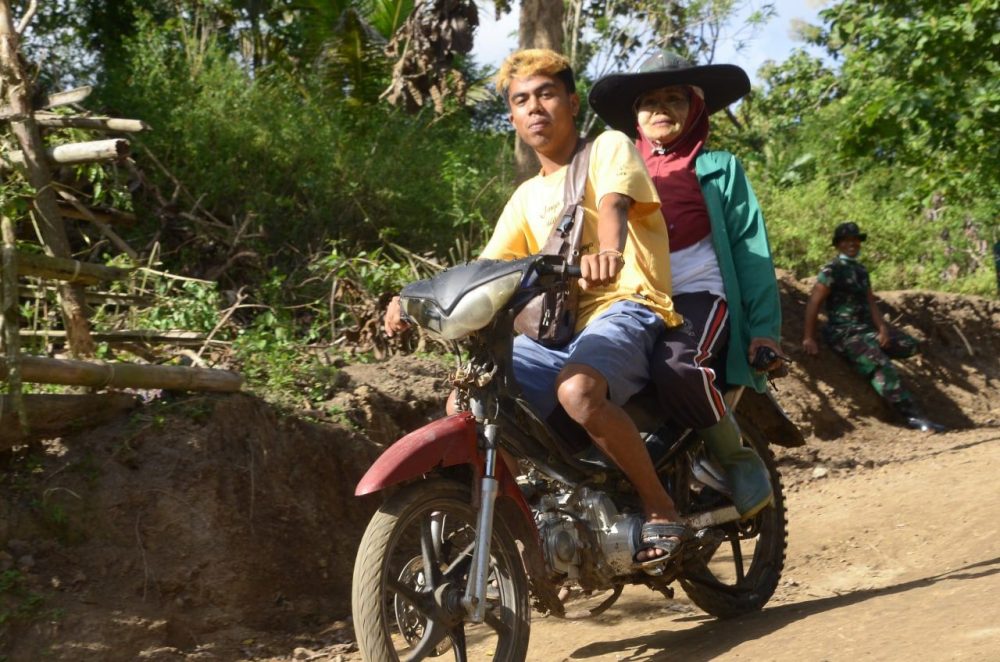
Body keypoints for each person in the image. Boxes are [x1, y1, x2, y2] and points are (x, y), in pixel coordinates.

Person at [385, 48, 690, 567]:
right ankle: (527, 525)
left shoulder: (609, 147)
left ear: (571, 102)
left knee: (579, 390)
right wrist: (410, 297)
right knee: (467, 404)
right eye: (522, 100)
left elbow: (614, 205)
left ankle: (660, 507)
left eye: (547, 94)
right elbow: (485, 269)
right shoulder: (526, 196)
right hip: (559, 329)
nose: (535, 108)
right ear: (512, 118)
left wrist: (610, 253)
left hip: (626, 304)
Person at [589, 52, 778, 518]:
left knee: (676, 365)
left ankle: (736, 457)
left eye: (674, 98)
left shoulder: (719, 168)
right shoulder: (613, 170)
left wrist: (765, 330)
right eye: (649, 101)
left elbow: (752, 249)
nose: (661, 109)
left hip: (699, 293)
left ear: (695, 109)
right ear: (635, 116)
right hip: (632, 297)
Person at [802, 222, 946, 432]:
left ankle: (869, 353)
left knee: (910, 344)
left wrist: (882, 329)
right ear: (839, 245)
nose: (853, 244)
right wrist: (809, 337)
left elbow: (870, 302)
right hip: (844, 333)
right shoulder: (832, 270)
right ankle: (913, 417)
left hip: (865, 331)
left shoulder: (861, 270)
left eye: (856, 240)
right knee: (882, 366)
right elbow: (814, 303)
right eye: (847, 241)